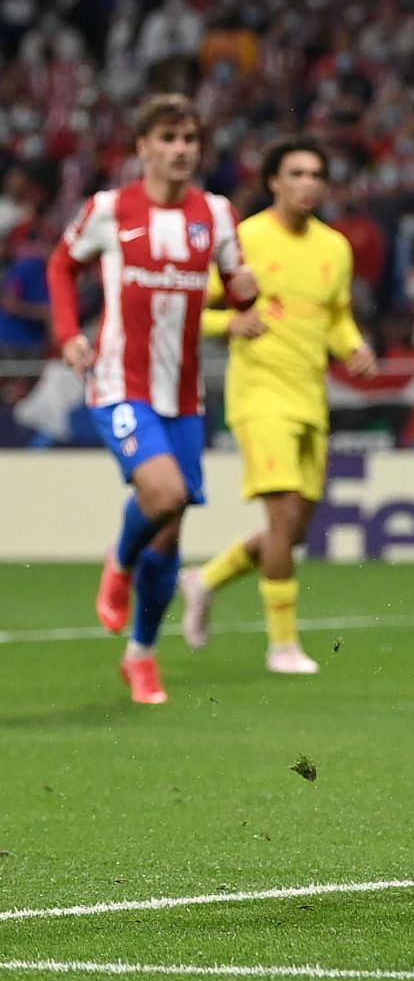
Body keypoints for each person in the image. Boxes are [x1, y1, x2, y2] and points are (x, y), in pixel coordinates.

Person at [45, 93, 258, 704]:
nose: (181, 149)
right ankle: (118, 560)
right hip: (119, 383)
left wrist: (245, 293)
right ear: (142, 147)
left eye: (189, 139)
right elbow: (62, 267)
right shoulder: (109, 209)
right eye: (167, 138)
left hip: (184, 396)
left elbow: (238, 290)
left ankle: (141, 655)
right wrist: (68, 335)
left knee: (169, 530)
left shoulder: (216, 214)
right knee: (163, 494)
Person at [180, 137, 377, 674]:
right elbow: (193, 306)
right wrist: (231, 323)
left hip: (312, 398)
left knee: (292, 532)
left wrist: (353, 347)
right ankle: (282, 645)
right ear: (273, 181)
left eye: (316, 174)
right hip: (260, 396)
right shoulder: (244, 240)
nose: (308, 183)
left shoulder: (334, 246)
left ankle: (205, 579)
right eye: (296, 174)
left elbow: (335, 315)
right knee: (283, 515)